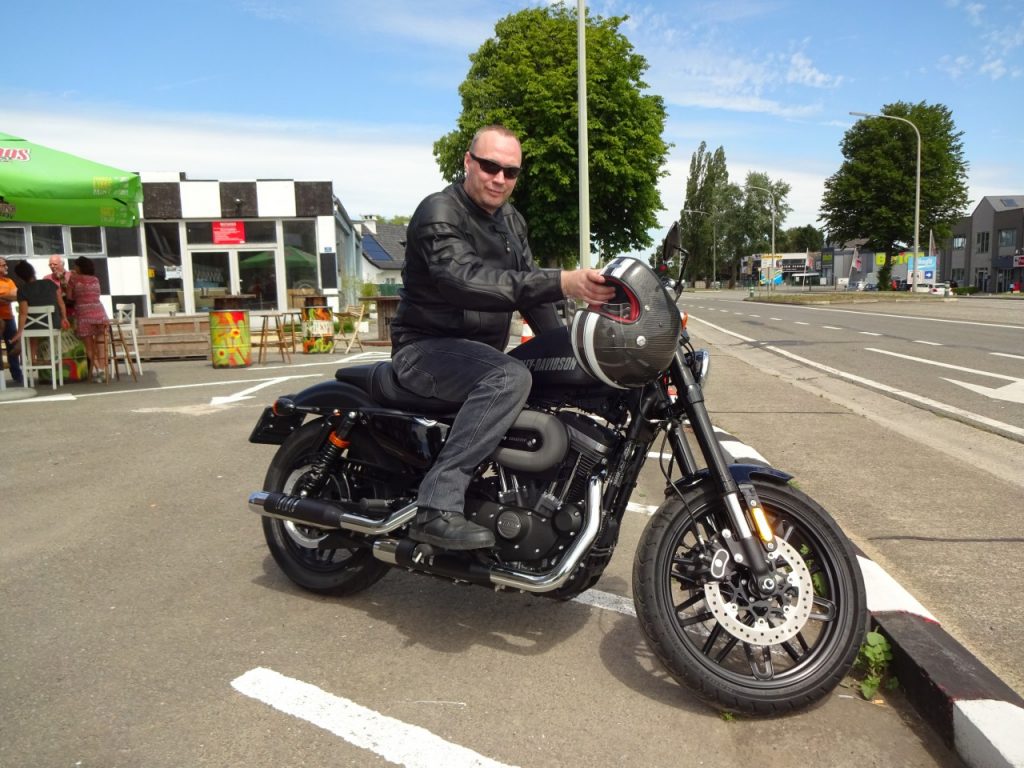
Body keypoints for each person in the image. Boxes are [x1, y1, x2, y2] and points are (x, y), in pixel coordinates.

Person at [389, 124, 616, 549]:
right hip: (424, 350)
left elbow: (529, 291)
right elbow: (463, 281)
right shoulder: (438, 212)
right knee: (510, 377)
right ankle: (436, 507)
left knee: (556, 371)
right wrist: (563, 281)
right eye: (490, 166)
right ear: (468, 162)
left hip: (477, 353)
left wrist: (573, 350)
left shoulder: (511, 220)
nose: (499, 179)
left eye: (510, 172)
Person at [12, 261, 69, 369]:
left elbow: (23, 313)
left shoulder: (22, 290)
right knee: (35, 330)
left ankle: (32, 358)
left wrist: (19, 332)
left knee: (31, 333)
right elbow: (61, 303)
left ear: (19, 277)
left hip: (34, 326)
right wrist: (64, 318)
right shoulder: (49, 283)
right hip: (53, 323)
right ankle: (52, 359)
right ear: (33, 271)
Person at [66, 256, 110, 382]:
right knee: (101, 344)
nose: (74, 268)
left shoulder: (73, 279)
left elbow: (69, 297)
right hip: (99, 313)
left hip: (84, 315)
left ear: (79, 267)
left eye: (75, 266)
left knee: (89, 346)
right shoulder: (95, 279)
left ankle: (99, 371)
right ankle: (103, 369)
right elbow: (97, 294)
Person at [0, 257, 23, 385]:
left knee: (13, 347)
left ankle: (17, 376)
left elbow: (16, 296)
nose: (6, 267)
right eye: (3, 265)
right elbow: (11, 296)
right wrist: (7, 297)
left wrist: (2, 297)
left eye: (5, 265)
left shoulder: (9, 281)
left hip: (9, 318)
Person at [44, 255, 74, 320]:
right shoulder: (46, 278)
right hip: (54, 311)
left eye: (55, 264)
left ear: (62, 264)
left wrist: (62, 279)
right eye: (50, 265)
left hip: (71, 309)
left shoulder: (71, 275)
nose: (52, 266)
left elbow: (72, 294)